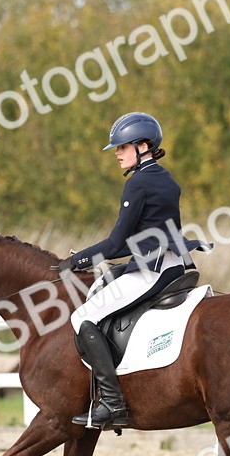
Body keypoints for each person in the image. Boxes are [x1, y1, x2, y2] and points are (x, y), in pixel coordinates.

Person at [56, 112, 210, 429]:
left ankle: (112, 403)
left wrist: (78, 260)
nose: (117, 153)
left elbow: (115, 243)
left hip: (151, 272)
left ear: (143, 146)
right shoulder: (166, 179)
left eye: (123, 147)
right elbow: (145, 238)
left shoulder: (138, 183)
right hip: (173, 264)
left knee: (82, 317)